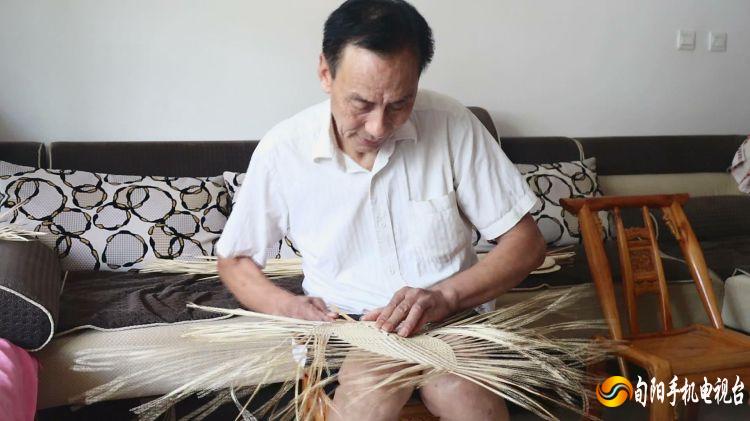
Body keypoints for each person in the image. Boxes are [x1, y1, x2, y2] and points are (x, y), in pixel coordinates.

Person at [216, 0, 546, 419]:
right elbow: (235, 259)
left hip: (451, 317)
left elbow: (526, 242)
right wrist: (289, 307)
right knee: (370, 393)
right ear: (325, 73)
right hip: (346, 326)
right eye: (361, 104)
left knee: (463, 393)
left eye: (399, 104)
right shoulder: (284, 150)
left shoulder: (452, 124)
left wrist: (445, 296)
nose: (378, 127)